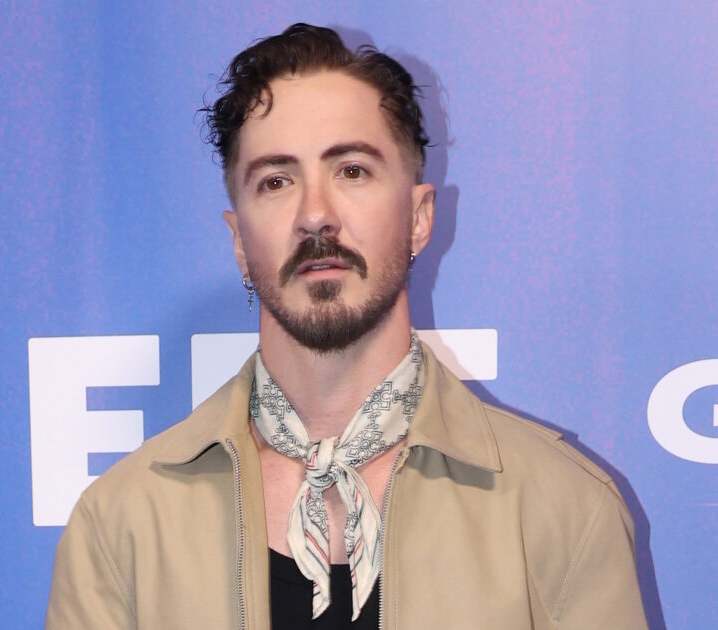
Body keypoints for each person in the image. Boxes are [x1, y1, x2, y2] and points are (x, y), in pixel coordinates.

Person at [46, 23, 647, 629]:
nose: (315, 214)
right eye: (276, 181)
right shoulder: (121, 526)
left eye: (352, 170)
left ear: (418, 218)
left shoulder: (562, 510)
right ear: (239, 242)